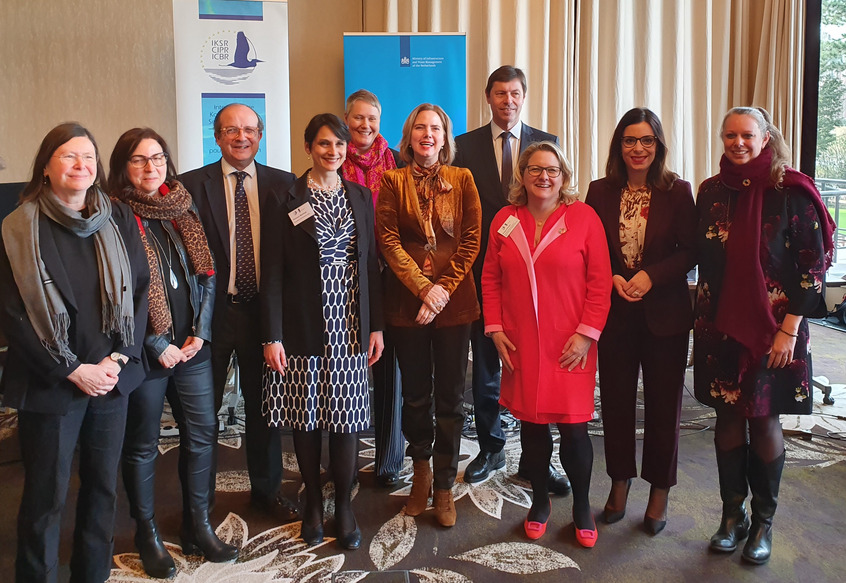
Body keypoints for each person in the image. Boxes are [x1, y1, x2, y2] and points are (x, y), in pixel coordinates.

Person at [0, 123, 149, 582]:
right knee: (46, 498)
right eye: (69, 155)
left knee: (103, 490)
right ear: (46, 166)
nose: (81, 165)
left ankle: (92, 574)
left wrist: (118, 359)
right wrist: (71, 369)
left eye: (88, 156)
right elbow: (12, 313)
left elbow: (140, 290)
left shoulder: (117, 218)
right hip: (51, 383)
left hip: (109, 380)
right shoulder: (19, 226)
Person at [694, 107, 835, 564]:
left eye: (747, 135)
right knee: (727, 418)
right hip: (719, 326)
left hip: (776, 330)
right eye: (730, 135)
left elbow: (813, 268)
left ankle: (762, 523)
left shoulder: (790, 191)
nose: (738, 143)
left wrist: (789, 330)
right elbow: (701, 256)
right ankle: (731, 517)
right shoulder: (711, 191)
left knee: (763, 419)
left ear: (765, 138)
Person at [109, 128, 237, 577]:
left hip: (191, 347)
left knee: (202, 435)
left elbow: (206, 273)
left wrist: (201, 332)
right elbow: (117, 293)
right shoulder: (114, 215)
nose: (151, 167)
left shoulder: (181, 204)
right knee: (143, 445)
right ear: (123, 166)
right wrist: (156, 343)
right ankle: (146, 534)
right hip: (145, 355)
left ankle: (197, 524)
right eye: (140, 159)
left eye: (158, 157)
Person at [261, 113, 384, 550]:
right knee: (307, 418)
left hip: (350, 322)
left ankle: (344, 507)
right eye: (324, 144)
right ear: (308, 147)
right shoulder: (286, 198)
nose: (333, 152)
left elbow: (370, 265)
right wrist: (272, 335)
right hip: (302, 324)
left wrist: (376, 327)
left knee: (347, 419)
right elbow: (272, 272)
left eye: (339, 145)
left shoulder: (360, 196)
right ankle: (313, 502)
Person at [482, 141, 611, 546]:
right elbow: (491, 277)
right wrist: (495, 327)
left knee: (574, 431)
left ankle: (582, 507)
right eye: (535, 169)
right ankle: (539, 501)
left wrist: (587, 333)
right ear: (522, 175)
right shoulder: (505, 219)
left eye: (552, 170)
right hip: (520, 343)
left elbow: (600, 282)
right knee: (532, 427)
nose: (544, 176)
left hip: (570, 345)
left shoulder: (584, 218)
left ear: (564, 176)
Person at [180, 103, 300, 523]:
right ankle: (198, 503)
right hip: (208, 317)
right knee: (201, 416)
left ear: (260, 135)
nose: (241, 137)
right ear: (217, 137)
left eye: (249, 129)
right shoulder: (190, 186)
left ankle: (267, 493)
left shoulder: (285, 185)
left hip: (263, 316)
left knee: (265, 410)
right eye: (231, 130)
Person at [454, 66, 569, 494]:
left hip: (537, 280)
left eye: (515, 93)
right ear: (488, 97)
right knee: (486, 366)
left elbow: (556, 203)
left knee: (536, 368)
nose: (508, 101)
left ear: (524, 96)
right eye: (500, 93)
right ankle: (491, 447)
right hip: (483, 273)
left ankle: (537, 459)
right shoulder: (464, 146)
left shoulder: (546, 143)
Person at [585, 108, 697, 534]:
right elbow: (591, 247)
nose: (638, 148)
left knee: (664, 407)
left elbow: (691, 251)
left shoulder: (677, 191)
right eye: (630, 140)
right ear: (619, 145)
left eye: (646, 140)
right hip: (615, 313)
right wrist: (612, 276)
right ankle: (619, 481)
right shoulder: (599, 191)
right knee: (615, 403)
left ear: (658, 145)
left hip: (665, 315)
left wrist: (652, 276)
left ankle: (659, 491)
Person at [376, 103, 481, 528]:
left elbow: (471, 241)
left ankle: (444, 485)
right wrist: (423, 289)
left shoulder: (463, 179)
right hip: (407, 305)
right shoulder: (392, 180)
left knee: (451, 398)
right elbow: (388, 241)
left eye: (435, 128)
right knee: (416, 395)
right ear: (409, 136)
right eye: (420, 127)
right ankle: (420, 473)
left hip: (455, 304)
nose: (427, 134)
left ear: (444, 137)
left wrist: (441, 291)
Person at [341, 89, 405, 488]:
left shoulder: (397, 162)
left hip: (390, 275)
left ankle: (388, 461)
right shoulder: (331, 160)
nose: (365, 125)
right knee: (345, 370)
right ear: (346, 119)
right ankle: (343, 461)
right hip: (345, 279)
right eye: (358, 118)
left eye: (372, 119)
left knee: (389, 371)